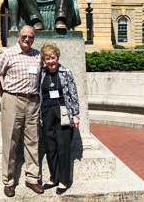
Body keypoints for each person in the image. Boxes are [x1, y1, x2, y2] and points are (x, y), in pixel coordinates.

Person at [0, 25, 44, 197]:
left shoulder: (37, 55)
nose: (27, 40)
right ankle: (8, 181)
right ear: (18, 36)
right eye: (24, 36)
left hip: (33, 102)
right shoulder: (7, 54)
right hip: (13, 99)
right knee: (10, 142)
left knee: (33, 141)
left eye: (31, 37)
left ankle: (32, 178)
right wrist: (4, 95)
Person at [39, 43, 80, 195]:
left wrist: (75, 114)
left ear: (57, 57)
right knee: (50, 145)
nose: (51, 61)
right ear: (44, 59)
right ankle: (54, 177)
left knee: (63, 146)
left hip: (63, 111)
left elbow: (73, 94)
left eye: (53, 57)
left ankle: (64, 180)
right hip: (46, 112)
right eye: (47, 58)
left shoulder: (65, 72)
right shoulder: (41, 73)